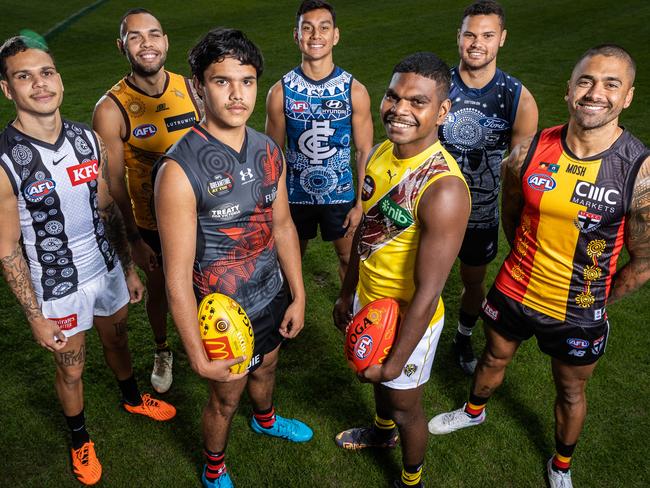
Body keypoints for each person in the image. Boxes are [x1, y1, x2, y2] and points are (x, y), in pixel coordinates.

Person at [428, 45, 650, 488]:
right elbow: (512, 215)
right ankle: (474, 412)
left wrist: (598, 301)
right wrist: (524, 259)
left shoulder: (640, 172)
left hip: (577, 312)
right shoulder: (528, 151)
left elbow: (643, 261)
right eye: (586, 80)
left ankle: (561, 466)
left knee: (570, 391)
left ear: (627, 97)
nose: (595, 93)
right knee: (493, 356)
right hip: (514, 288)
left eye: (611, 84)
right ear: (569, 89)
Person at [0, 36, 176, 486]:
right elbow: (6, 248)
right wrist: (36, 317)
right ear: (8, 90)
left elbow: (107, 208)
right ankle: (79, 438)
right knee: (71, 368)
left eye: (46, 73)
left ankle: (133, 397)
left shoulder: (86, 139)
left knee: (118, 341)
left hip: (106, 270)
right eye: (24, 76)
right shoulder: (5, 162)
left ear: (58, 78)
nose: (39, 84)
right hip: (57, 286)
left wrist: (129, 268)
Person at [155, 28, 312, 488]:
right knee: (224, 400)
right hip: (222, 312)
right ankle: (214, 465)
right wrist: (196, 355)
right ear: (199, 86)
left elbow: (282, 225)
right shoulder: (179, 170)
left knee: (267, 367)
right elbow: (177, 277)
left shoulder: (267, 149)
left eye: (246, 80)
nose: (237, 93)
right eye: (222, 81)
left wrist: (298, 296)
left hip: (271, 295)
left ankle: (265, 419)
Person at [333, 52, 471, 488]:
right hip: (370, 302)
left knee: (406, 406)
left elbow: (430, 290)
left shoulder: (443, 189)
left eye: (418, 102)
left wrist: (396, 360)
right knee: (379, 388)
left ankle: (411, 480)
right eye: (393, 97)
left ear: (442, 111)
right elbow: (366, 234)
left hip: (410, 319)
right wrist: (347, 292)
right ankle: (381, 431)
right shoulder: (380, 154)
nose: (400, 110)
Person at [93, 8, 203, 394]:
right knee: (161, 291)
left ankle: (215, 338)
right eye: (135, 37)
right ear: (121, 46)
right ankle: (162, 349)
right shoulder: (111, 108)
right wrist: (134, 242)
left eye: (153, 34)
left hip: (203, 214)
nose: (147, 44)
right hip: (151, 223)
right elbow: (112, 186)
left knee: (211, 284)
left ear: (166, 41)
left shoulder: (192, 89)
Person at [439, 0, 538, 375]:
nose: (476, 43)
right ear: (459, 37)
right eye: (469, 34)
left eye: (487, 35)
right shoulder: (438, 86)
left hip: (480, 211)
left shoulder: (518, 98)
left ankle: (463, 336)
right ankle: (411, 335)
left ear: (502, 39)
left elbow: (518, 175)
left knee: (473, 280)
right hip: (432, 207)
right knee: (417, 274)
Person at [266, 0, 373, 282]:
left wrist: (361, 204)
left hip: (341, 194)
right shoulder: (280, 92)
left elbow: (364, 151)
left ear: (335, 35)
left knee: (349, 259)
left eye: (324, 28)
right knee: (287, 263)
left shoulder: (354, 90)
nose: (316, 35)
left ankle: (350, 319)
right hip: (293, 197)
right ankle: (287, 318)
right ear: (296, 35)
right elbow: (272, 155)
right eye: (308, 28)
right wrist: (276, 204)